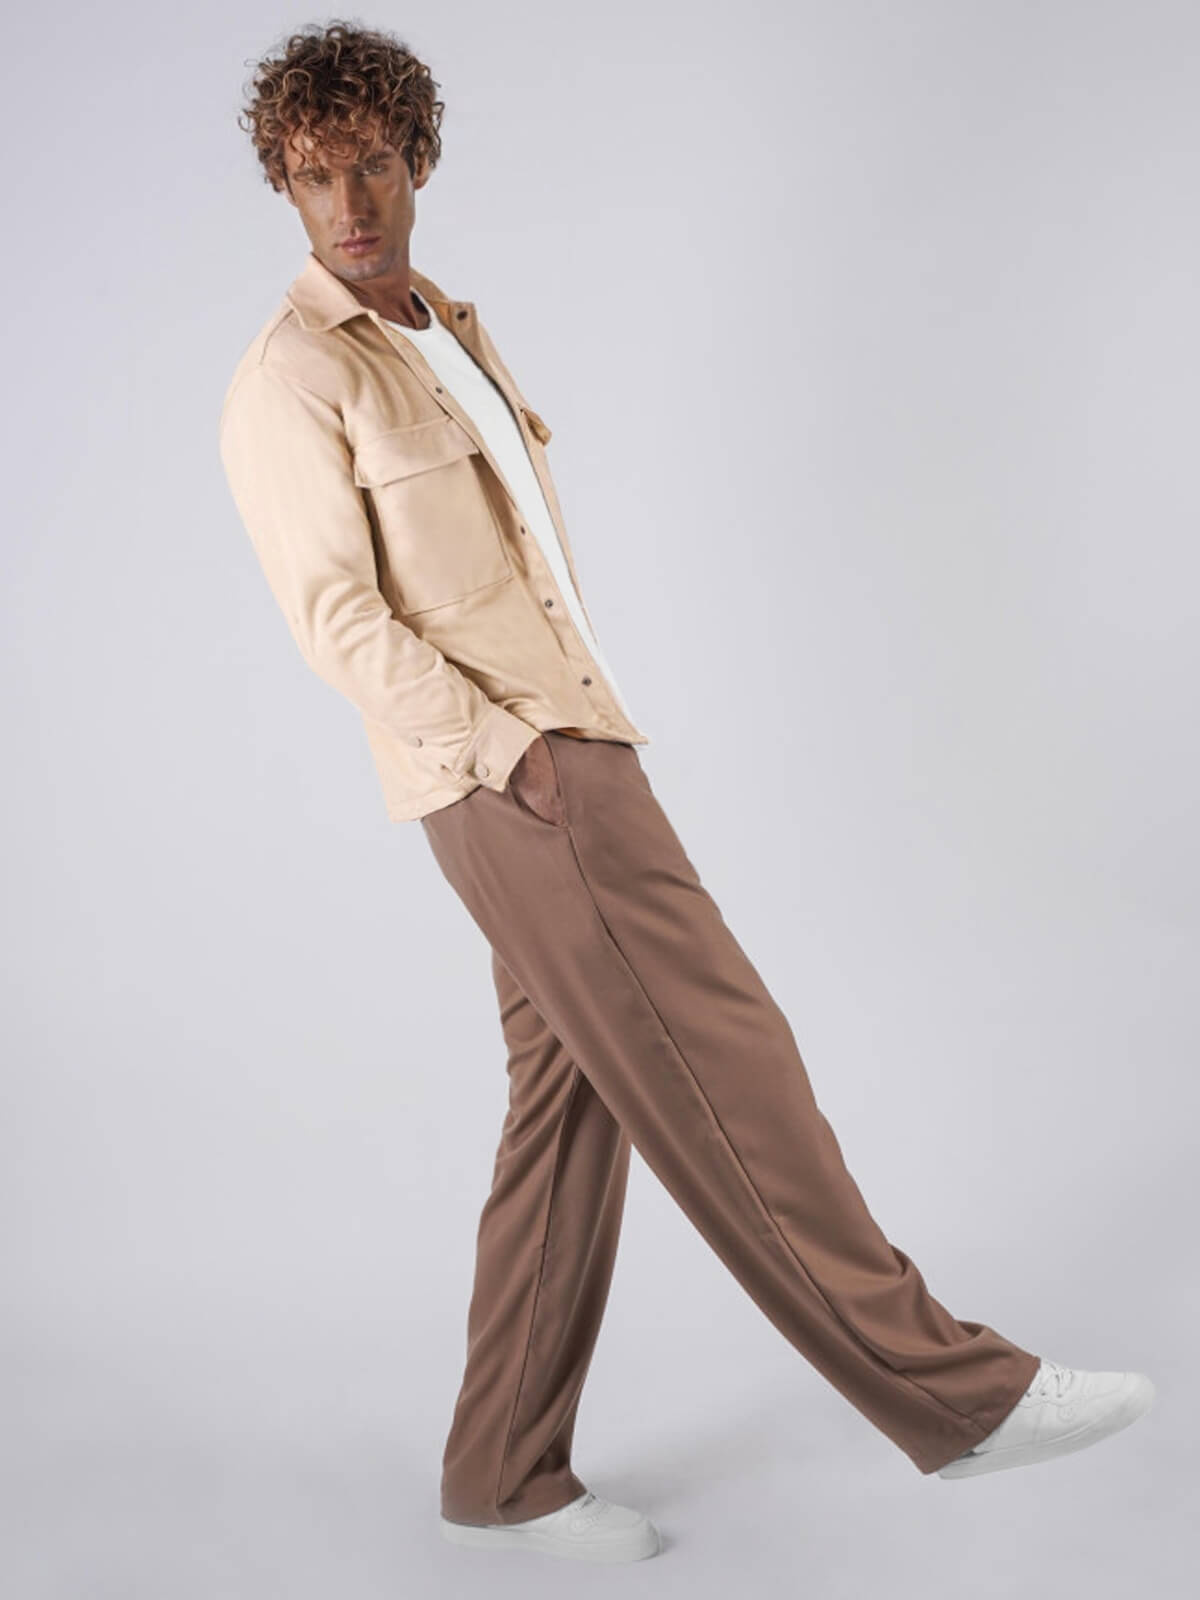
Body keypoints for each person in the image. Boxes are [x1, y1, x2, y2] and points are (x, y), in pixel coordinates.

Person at [218, 22, 1155, 1566]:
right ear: (283, 187)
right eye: (314, 179)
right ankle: (959, 1399)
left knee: (570, 1106)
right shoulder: (292, 377)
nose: (348, 205)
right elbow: (338, 621)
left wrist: (571, 731)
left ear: (419, 162)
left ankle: (502, 1472)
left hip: (574, 742)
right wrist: (516, 754)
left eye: (372, 165)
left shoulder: (443, 328)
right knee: (727, 1056)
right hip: (515, 776)